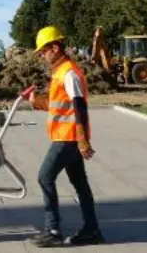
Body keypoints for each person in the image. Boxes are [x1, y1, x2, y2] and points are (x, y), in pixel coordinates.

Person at [28, 25, 105, 247]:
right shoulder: (60, 72)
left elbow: (79, 107)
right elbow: (57, 105)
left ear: (54, 47)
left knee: (45, 177)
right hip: (66, 136)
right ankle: (92, 230)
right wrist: (36, 101)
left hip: (68, 138)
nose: (41, 56)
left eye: (43, 51)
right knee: (80, 184)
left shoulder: (69, 72)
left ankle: (53, 229)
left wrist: (82, 140)